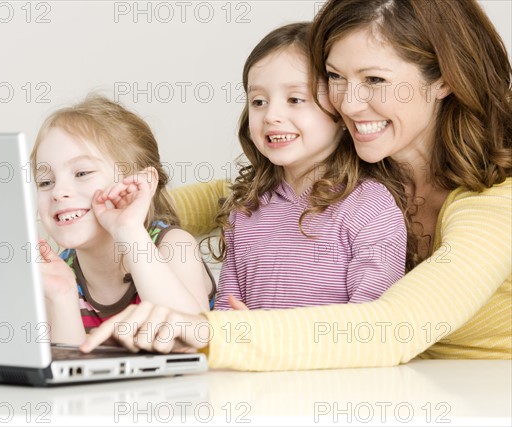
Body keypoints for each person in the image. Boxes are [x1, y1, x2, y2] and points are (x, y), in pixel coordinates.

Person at [81, 0, 511, 369]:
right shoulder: (368, 166)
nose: (348, 102)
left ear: (444, 79)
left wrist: (204, 331)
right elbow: (221, 198)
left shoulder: (496, 202)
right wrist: (89, 206)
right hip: (387, 387)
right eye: (335, 77)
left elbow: (394, 327)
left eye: (375, 80)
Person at [210, 22, 407, 311]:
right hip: (249, 356)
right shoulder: (245, 211)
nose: (272, 115)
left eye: (295, 99)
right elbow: (227, 315)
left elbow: (371, 325)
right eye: (258, 101)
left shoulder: (369, 208)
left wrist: (270, 340)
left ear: (339, 112)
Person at [31, 95, 215, 345]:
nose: (58, 192)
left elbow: (191, 345)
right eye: (45, 182)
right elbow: (72, 375)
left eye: (82, 173)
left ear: (141, 183)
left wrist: (128, 230)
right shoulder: (60, 274)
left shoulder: (173, 246)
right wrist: (62, 297)